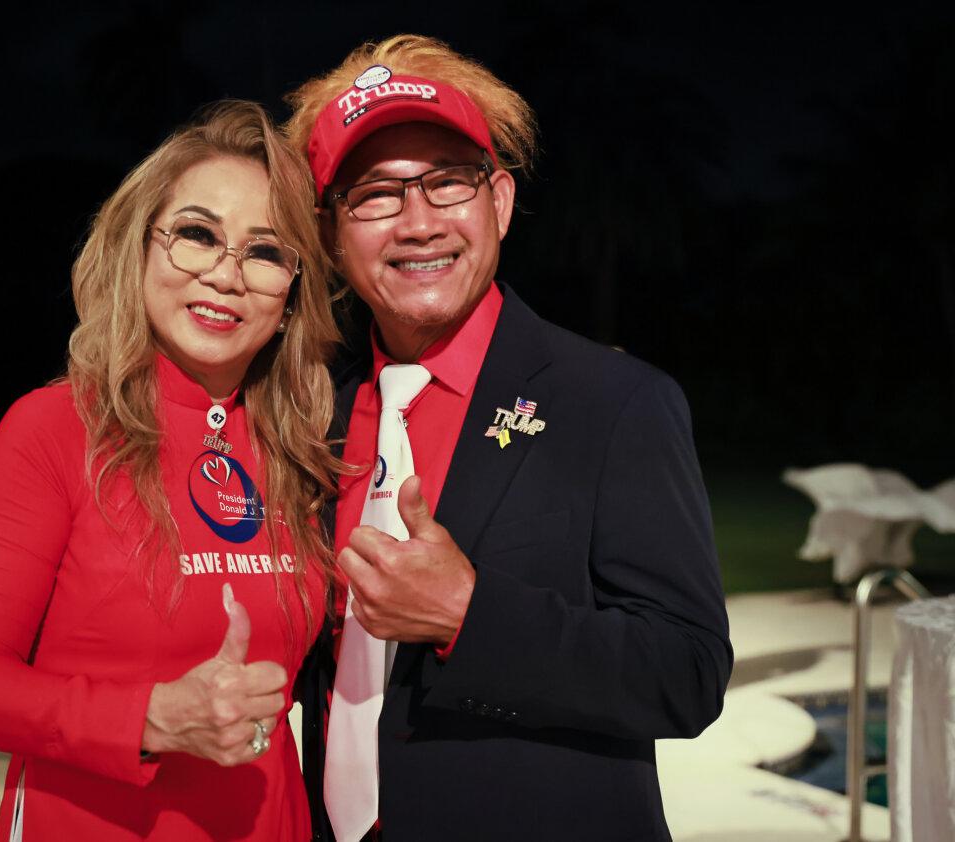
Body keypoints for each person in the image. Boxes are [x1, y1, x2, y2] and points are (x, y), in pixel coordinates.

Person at [285, 36, 733, 841]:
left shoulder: (617, 402)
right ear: (328, 231)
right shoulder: (310, 408)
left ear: (497, 199)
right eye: (377, 195)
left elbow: (688, 675)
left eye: (447, 183)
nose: (419, 223)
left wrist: (469, 613)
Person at [0, 100, 344, 841]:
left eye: (265, 250)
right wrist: (152, 718)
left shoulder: (300, 450)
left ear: (290, 296)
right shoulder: (52, 429)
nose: (226, 273)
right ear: (140, 251)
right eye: (196, 234)